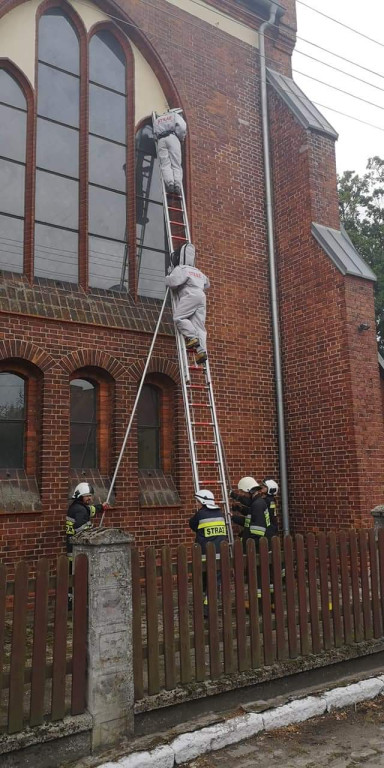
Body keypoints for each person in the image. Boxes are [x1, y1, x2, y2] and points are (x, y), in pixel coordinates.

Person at [66, 482, 110, 608]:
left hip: (71, 547)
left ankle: (71, 601)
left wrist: (101, 507)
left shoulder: (77, 507)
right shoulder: (80, 510)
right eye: (87, 496)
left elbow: (90, 510)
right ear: (80, 497)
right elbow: (81, 529)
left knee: (72, 575)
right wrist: (93, 531)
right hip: (78, 548)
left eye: (90, 496)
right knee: (78, 576)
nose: (89, 498)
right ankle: (75, 603)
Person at [165, 242, 210, 365]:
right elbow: (207, 284)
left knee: (179, 317)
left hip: (190, 295)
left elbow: (173, 283)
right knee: (199, 326)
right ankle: (202, 351)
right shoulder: (198, 271)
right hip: (201, 296)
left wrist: (168, 275)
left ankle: (192, 337)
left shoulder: (181, 269)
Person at [189, 489, 228, 616]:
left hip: (204, 555)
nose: (196, 504)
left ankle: (206, 608)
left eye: (198, 501)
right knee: (215, 581)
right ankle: (209, 605)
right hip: (220, 554)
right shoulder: (220, 513)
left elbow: (192, 524)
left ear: (203, 502)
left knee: (204, 580)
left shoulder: (200, 514)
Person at [230, 477, 270, 553]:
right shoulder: (256, 503)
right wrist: (234, 517)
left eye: (244, 492)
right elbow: (249, 522)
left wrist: (250, 549)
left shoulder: (257, 505)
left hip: (254, 549)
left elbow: (257, 532)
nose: (243, 494)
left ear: (250, 491)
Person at [153, 108, 187, 195]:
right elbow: (182, 127)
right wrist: (181, 138)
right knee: (176, 164)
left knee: (165, 164)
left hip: (161, 140)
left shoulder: (157, 120)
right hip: (172, 138)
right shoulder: (174, 116)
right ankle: (177, 186)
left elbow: (155, 134)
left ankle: (170, 184)